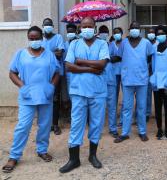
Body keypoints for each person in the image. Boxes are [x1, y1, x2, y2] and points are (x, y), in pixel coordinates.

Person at [2, 26, 60, 173]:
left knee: (45, 125)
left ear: (42, 38)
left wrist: (51, 87)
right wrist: (22, 86)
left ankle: (42, 150)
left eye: (37, 38)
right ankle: (14, 156)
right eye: (31, 38)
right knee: (23, 126)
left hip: (45, 95)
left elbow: (57, 73)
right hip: (27, 96)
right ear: (28, 39)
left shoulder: (49, 55)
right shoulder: (20, 54)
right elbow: (12, 73)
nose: (34, 41)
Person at [59, 17, 109, 173]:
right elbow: (68, 66)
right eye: (84, 26)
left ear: (95, 28)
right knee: (76, 124)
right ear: (80, 28)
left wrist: (80, 61)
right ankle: (74, 159)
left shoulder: (102, 43)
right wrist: (90, 68)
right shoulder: (74, 44)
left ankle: (92, 156)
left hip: (97, 92)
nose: (87, 28)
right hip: (79, 91)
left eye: (90, 26)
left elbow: (102, 64)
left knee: (96, 124)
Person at [114, 21, 154, 143]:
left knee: (141, 107)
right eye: (133, 28)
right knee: (127, 107)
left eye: (137, 28)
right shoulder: (124, 43)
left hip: (142, 79)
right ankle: (125, 132)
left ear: (140, 30)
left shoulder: (146, 43)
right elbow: (119, 57)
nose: (135, 30)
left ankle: (142, 131)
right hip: (127, 79)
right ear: (129, 29)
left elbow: (149, 57)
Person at [150, 25, 167, 140]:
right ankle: (159, 129)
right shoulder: (154, 47)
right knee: (158, 106)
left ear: (166, 34)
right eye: (158, 34)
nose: (160, 35)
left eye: (162, 33)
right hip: (156, 80)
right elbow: (152, 64)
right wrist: (152, 78)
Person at [42, 18, 65, 135]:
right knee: (44, 98)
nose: (48, 27)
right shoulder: (39, 38)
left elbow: (60, 54)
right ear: (42, 26)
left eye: (50, 25)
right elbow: (35, 54)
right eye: (46, 25)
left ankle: (55, 124)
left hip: (56, 73)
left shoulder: (58, 38)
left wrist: (44, 53)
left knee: (56, 99)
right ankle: (46, 124)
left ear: (53, 26)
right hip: (42, 74)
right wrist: (53, 53)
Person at [106, 27, 123, 138]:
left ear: (122, 33)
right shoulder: (110, 44)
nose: (117, 34)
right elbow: (109, 58)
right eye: (115, 33)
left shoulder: (125, 43)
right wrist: (117, 57)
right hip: (112, 74)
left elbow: (124, 57)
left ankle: (122, 120)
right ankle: (112, 126)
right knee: (113, 99)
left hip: (124, 72)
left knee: (126, 98)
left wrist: (117, 57)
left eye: (118, 33)